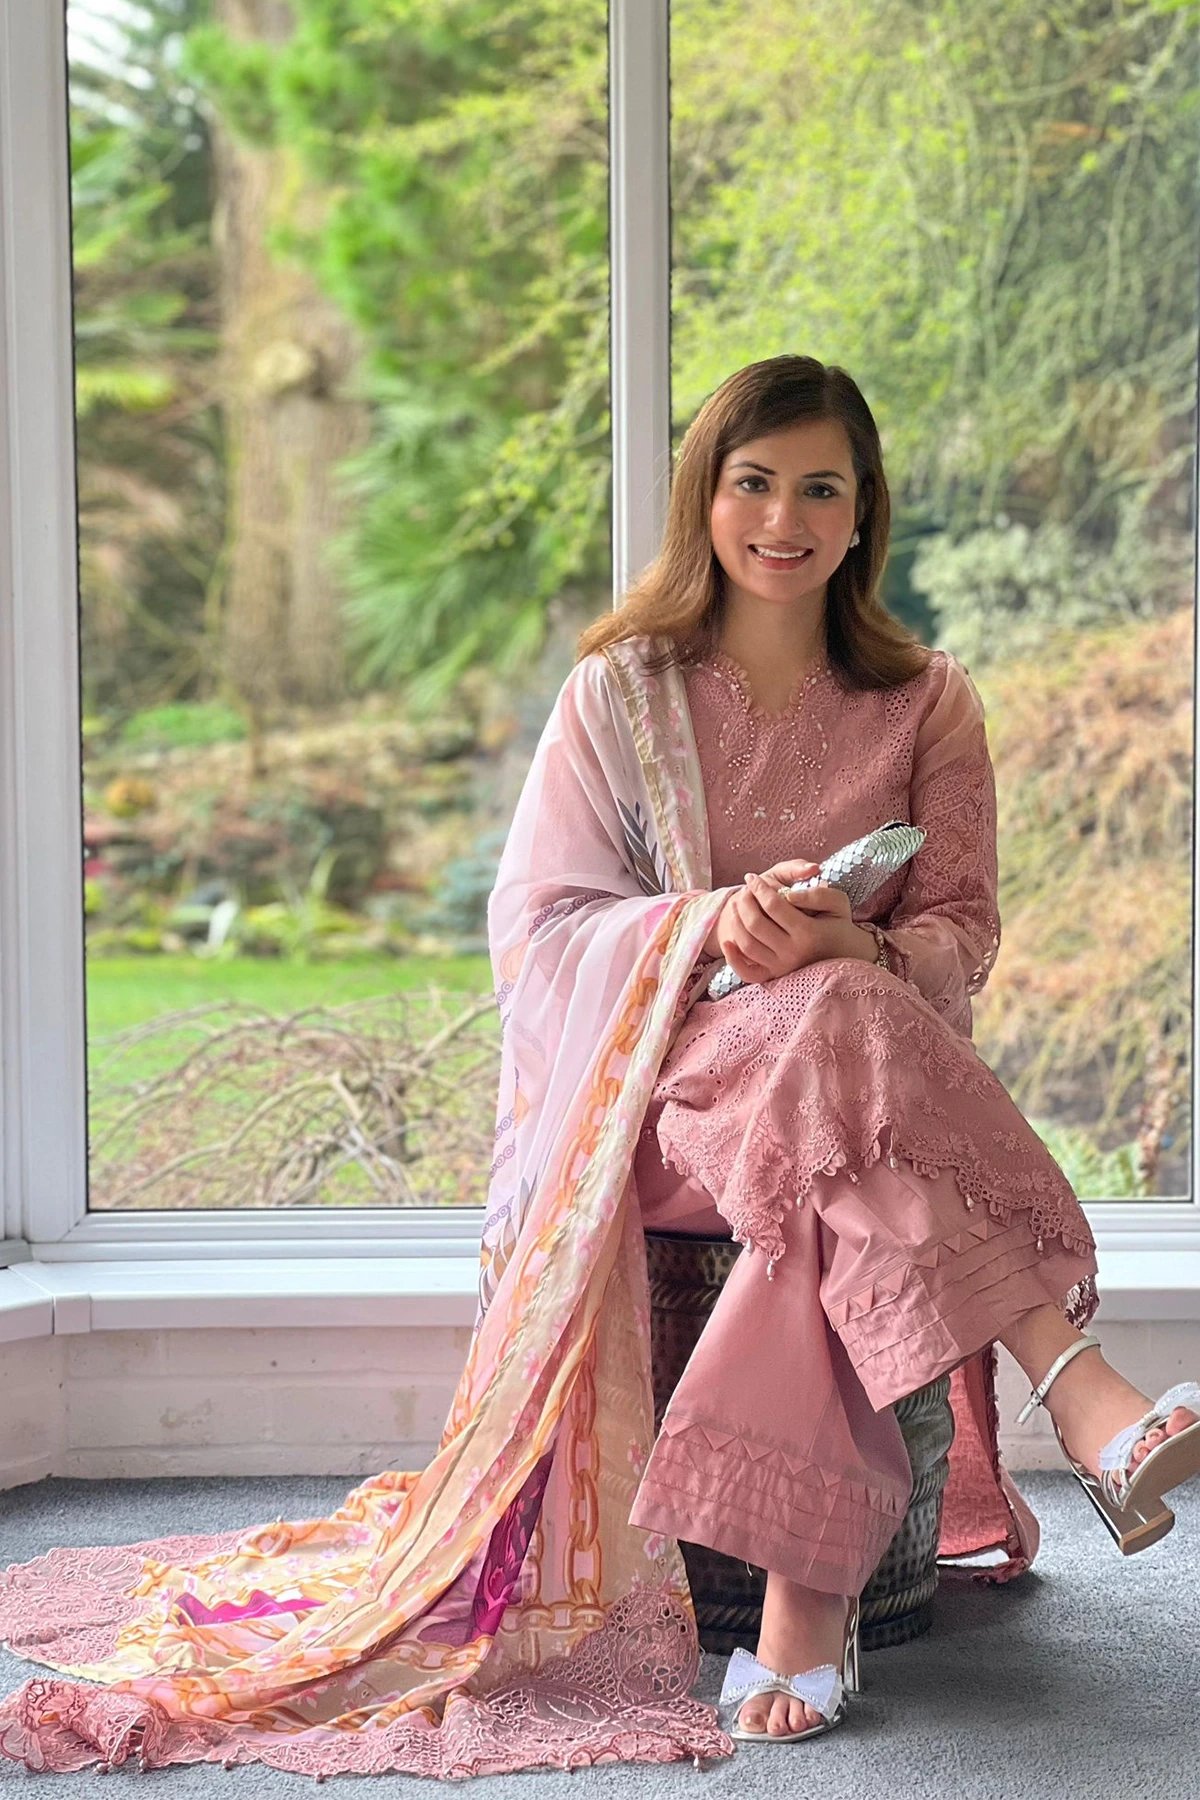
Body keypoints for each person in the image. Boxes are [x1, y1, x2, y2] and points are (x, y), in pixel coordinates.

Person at [0, 354, 1196, 1779]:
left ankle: (808, 1588)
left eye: (821, 488)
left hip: (841, 1114)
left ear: (865, 510)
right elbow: (540, 930)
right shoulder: (619, 693)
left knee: (829, 1079)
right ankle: (1076, 1383)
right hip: (660, 1103)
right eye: (754, 483)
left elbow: (964, 930)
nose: (784, 519)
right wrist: (711, 925)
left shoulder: (927, 699)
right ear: (704, 497)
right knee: (828, 1030)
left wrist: (858, 948)